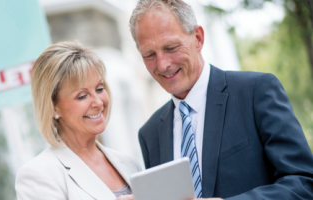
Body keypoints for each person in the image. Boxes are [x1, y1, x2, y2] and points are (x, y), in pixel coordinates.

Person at [129, 0, 313, 199]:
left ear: (198, 38)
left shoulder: (255, 92)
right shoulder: (149, 135)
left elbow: (304, 183)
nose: (162, 64)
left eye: (171, 47)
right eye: (149, 54)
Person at [15, 41, 140, 200]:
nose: (98, 102)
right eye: (82, 96)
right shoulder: (38, 175)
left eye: (99, 89)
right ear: (53, 107)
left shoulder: (128, 164)